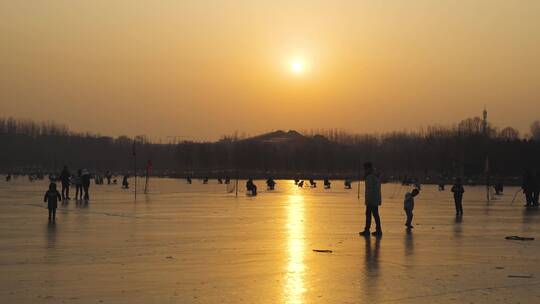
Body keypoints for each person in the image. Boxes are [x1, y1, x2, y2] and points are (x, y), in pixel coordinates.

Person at [359, 162, 383, 237]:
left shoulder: (370, 177)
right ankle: (376, 230)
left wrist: (369, 200)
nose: (364, 170)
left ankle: (369, 230)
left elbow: (371, 190)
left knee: (371, 214)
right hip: (374, 199)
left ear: (368, 169)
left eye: (365, 169)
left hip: (372, 199)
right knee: (374, 214)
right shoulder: (374, 176)